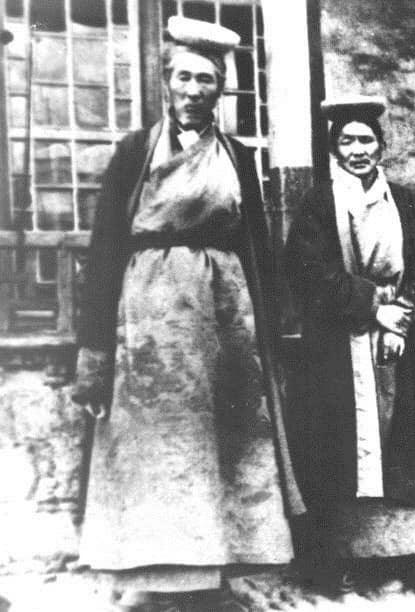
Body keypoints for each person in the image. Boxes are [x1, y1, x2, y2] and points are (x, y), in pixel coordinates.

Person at [72, 17, 303, 612]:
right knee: (156, 446)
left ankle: (211, 577)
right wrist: (94, 343)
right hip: (148, 323)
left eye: (206, 80)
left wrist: (270, 334)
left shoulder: (236, 157)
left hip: (223, 319)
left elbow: (258, 246)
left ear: (220, 89)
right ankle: (157, 580)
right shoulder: (134, 152)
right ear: (167, 83)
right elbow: (104, 247)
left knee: (222, 444)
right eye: (184, 77)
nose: (194, 90)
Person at [285, 96, 415, 596]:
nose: (358, 150)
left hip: (400, 341)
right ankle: (337, 556)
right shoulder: (318, 204)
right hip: (337, 341)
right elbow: (309, 272)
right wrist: (371, 309)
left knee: (405, 443)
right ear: (334, 149)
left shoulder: (406, 202)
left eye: (366, 140)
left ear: (381, 146)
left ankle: (413, 553)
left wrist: (400, 318)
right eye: (347, 141)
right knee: (337, 445)